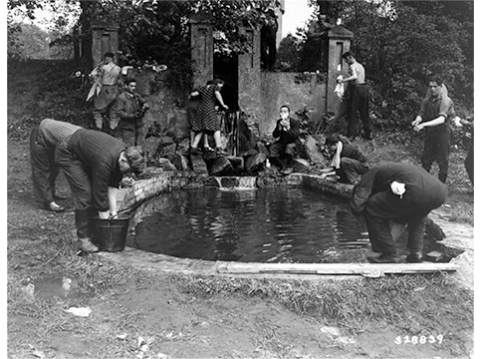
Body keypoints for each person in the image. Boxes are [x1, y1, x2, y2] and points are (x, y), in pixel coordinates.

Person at [56, 129, 145, 253]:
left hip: (85, 153)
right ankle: (83, 239)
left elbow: (112, 186)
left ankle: (93, 232)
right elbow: (100, 192)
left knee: (95, 197)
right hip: (68, 152)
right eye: (129, 170)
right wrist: (106, 223)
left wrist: (114, 214)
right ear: (124, 160)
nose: (129, 174)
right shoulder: (105, 162)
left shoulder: (121, 154)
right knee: (85, 194)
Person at [351, 163, 448, 264]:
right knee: (417, 217)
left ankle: (387, 253)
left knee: (371, 208)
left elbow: (361, 191)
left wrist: (357, 210)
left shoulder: (371, 172)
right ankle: (416, 253)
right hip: (440, 193)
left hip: (414, 190)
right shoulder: (396, 169)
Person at [30, 119, 82, 213]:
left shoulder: (83, 138)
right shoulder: (73, 141)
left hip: (53, 139)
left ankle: (51, 193)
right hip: (40, 135)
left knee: (54, 168)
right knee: (42, 170)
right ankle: (47, 201)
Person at [412, 75, 455, 184]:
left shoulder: (446, 101)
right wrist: (417, 120)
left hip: (443, 132)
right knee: (426, 159)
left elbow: (441, 119)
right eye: (430, 87)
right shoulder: (427, 100)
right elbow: (421, 113)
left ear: (441, 87)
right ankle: (424, 184)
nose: (432, 89)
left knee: (443, 161)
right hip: (430, 133)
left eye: (435, 86)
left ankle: (441, 186)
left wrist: (423, 125)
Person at [189, 79, 229, 155]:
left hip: (201, 109)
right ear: (218, 83)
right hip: (209, 109)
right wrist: (223, 104)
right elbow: (217, 93)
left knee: (202, 128)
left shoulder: (203, 88)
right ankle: (219, 148)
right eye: (221, 85)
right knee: (216, 128)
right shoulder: (214, 87)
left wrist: (189, 96)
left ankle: (193, 147)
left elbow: (194, 94)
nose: (221, 88)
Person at [339, 52, 373, 140]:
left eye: (346, 59)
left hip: (357, 89)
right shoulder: (361, 66)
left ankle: (351, 135)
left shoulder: (352, 66)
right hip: (364, 88)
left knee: (352, 112)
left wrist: (343, 80)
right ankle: (368, 133)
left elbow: (354, 77)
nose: (346, 62)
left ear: (350, 57)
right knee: (364, 112)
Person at [87, 52, 122, 133]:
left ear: (109, 58)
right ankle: (112, 127)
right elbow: (120, 80)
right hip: (114, 89)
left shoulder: (103, 67)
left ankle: (99, 127)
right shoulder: (118, 68)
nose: (106, 59)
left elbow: (92, 75)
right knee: (113, 110)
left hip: (105, 89)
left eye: (107, 58)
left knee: (97, 110)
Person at [110, 77, 149, 147]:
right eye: (131, 86)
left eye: (134, 86)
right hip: (127, 127)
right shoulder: (121, 98)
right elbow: (119, 112)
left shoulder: (136, 96)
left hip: (138, 125)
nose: (133, 88)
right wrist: (132, 115)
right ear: (126, 86)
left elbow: (144, 102)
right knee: (130, 147)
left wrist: (145, 106)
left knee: (140, 147)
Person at [269, 105, 302, 175]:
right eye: (281, 112)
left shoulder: (294, 122)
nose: (283, 113)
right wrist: (279, 128)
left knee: (289, 147)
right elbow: (275, 135)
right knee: (272, 148)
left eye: (285, 111)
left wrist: (288, 128)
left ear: (288, 113)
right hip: (283, 142)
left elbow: (295, 135)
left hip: (294, 143)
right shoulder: (279, 122)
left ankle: (290, 166)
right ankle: (283, 166)